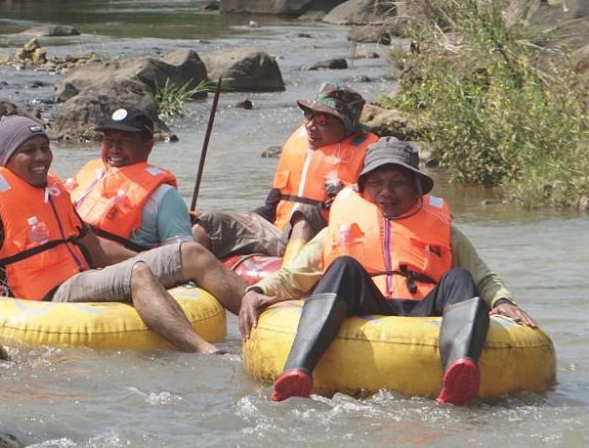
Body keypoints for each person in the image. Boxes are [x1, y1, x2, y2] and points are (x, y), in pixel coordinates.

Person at [237, 137, 537, 405]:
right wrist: (259, 290)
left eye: (397, 183)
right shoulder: (339, 229)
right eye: (377, 184)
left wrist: (503, 301)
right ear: (364, 189)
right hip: (368, 304)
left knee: (460, 278)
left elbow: (483, 277)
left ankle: (459, 372)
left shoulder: (446, 231)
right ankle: (298, 372)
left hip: (425, 308)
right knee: (343, 266)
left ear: (416, 187)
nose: (386, 192)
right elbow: (295, 275)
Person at [0, 115, 248, 354]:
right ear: (5, 159)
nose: (42, 158)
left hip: (81, 276)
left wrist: (159, 265)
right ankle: (206, 353)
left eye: (45, 148)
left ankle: (259, 312)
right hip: (44, 295)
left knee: (190, 254)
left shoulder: (52, 193)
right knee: (138, 275)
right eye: (28, 151)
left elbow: (94, 246)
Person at [193, 83, 378, 262]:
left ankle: (287, 284)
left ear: (347, 127)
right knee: (212, 222)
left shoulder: (371, 159)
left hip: (326, 241)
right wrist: (241, 221)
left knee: (306, 215)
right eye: (308, 116)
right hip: (279, 235)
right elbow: (270, 208)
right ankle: (186, 279)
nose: (310, 126)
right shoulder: (299, 149)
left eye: (322, 121)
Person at [68, 107, 194, 260]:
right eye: (108, 140)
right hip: (70, 262)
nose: (114, 149)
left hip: (125, 271)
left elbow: (182, 257)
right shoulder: (89, 176)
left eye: (125, 141)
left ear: (148, 146)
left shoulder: (164, 195)